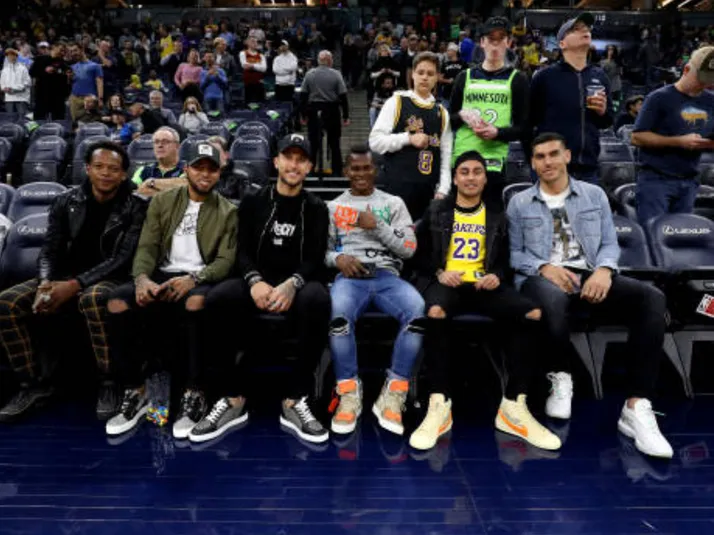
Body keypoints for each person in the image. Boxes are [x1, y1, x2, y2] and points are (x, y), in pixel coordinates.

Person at [507, 132, 673, 459]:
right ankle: (560, 376)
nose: (547, 162)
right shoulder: (519, 202)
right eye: (540, 157)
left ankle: (637, 405)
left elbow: (609, 243)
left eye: (553, 154)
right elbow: (513, 254)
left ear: (567, 156)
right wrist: (544, 267)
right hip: (540, 276)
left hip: (588, 273)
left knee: (652, 298)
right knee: (553, 299)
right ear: (532, 163)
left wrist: (605, 270)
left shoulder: (594, 195)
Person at [409, 150, 560, 452]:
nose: (471, 177)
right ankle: (439, 403)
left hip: (483, 286)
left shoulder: (497, 215)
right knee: (436, 311)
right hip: (449, 284)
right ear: (455, 178)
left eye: (477, 172)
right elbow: (417, 255)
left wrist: (496, 276)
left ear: (485, 178)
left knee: (531, 312)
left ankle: (514, 406)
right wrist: (439, 272)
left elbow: (504, 261)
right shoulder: (436, 211)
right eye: (464, 172)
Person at [192, 133, 330, 444]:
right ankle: (232, 397)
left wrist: (292, 284)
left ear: (309, 167)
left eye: (301, 160)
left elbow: (314, 258)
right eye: (288, 157)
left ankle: (295, 398)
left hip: (296, 283)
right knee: (218, 299)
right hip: (257, 280)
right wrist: (254, 281)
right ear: (276, 162)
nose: (294, 165)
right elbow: (241, 250)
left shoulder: (316, 207)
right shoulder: (254, 201)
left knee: (318, 299)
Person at [0, 141, 146, 422]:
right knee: (6, 303)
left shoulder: (136, 206)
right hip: (63, 278)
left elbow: (122, 258)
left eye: (113, 169)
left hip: (111, 278)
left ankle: (109, 382)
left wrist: (75, 285)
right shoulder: (65, 201)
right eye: (99, 166)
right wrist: (45, 283)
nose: (105, 173)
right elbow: (49, 249)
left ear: (123, 174)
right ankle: (32, 385)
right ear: (87, 168)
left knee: (94, 298)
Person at [105, 142, 238, 438]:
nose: (205, 174)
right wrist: (142, 279)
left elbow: (225, 261)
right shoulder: (162, 202)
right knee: (117, 302)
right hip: (160, 275)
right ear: (186, 169)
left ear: (219, 174)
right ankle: (137, 391)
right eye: (199, 167)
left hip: (200, 278)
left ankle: (194, 393)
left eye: (211, 169)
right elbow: (147, 247)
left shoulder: (228, 211)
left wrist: (195, 278)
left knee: (195, 303)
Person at [327, 145, 424, 437]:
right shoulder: (333, 207)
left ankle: (393, 392)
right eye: (354, 169)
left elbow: (408, 249)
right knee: (338, 314)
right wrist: (338, 259)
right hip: (350, 278)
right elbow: (323, 251)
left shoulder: (394, 203)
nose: (361, 174)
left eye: (366, 168)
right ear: (346, 172)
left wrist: (378, 225)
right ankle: (348, 392)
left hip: (386, 276)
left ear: (376, 170)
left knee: (417, 310)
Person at [449, 17, 530, 210]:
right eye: (491, 39)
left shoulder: (517, 79)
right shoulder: (464, 77)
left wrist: (497, 133)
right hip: (462, 159)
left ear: (508, 43)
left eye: (501, 39)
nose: (495, 44)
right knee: (459, 218)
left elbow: (524, 128)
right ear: (482, 42)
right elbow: (448, 121)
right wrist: (461, 116)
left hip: (494, 163)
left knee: (491, 219)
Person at [632, 46, 714, 227]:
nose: (703, 85)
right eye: (700, 79)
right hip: (656, 180)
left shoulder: (711, 101)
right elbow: (637, 137)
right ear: (686, 70)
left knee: (680, 236)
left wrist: (707, 143)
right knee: (653, 233)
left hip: (689, 180)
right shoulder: (658, 98)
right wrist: (679, 142)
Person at [529, 13, 614, 183]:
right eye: (576, 29)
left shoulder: (600, 76)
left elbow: (607, 121)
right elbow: (530, 122)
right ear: (562, 44)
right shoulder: (544, 77)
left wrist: (603, 112)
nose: (585, 31)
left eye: (587, 28)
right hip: (553, 167)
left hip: (589, 167)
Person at [369, 51, 453, 221]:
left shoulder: (442, 113)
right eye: (420, 72)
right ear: (413, 74)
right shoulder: (396, 102)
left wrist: (443, 189)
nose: (425, 77)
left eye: (430, 73)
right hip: (396, 189)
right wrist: (408, 138)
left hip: (428, 192)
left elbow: (446, 156)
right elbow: (375, 141)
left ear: (437, 77)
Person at [300, 50, 350, 176]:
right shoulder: (336, 74)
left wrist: (303, 115)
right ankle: (337, 172)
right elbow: (343, 96)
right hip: (331, 110)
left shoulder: (309, 74)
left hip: (313, 109)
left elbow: (303, 96)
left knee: (313, 144)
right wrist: (346, 115)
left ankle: (310, 171)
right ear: (329, 60)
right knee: (334, 143)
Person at [131, 127, 187, 196]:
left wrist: (151, 183)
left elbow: (187, 186)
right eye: (156, 142)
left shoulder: (188, 169)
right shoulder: (143, 170)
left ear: (177, 146)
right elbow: (134, 192)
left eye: (165, 142)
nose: (160, 145)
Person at [30, 43, 71, 120]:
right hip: (42, 95)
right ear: (54, 47)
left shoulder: (64, 64)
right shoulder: (40, 59)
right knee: (39, 120)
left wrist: (68, 77)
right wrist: (44, 71)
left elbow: (66, 82)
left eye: (64, 51)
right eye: (61, 50)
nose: (62, 53)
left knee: (59, 121)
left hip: (58, 98)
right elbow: (32, 73)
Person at [69, 44, 104, 123]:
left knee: (91, 124)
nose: (73, 53)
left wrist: (100, 99)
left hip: (90, 100)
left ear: (82, 50)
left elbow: (100, 83)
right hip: (74, 99)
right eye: (71, 51)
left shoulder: (95, 66)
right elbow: (70, 83)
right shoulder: (71, 67)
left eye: (75, 50)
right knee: (77, 124)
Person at [0, 49, 31, 116]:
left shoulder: (23, 68)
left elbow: (27, 83)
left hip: (21, 98)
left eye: (12, 55)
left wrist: (13, 88)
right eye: (8, 55)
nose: (10, 57)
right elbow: (2, 83)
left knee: (22, 119)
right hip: (9, 98)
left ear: (16, 56)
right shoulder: (4, 70)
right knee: (10, 119)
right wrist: (4, 88)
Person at [239, 37, 267, 105]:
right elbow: (244, 66)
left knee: (260, 104)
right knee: (250, 105)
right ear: (247, 43)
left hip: (259, 83)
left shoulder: (261, 55)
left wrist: (252, 66)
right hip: (248, 83)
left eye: (256, 42)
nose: (255, 43)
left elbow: (264, 68)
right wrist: (258, 65)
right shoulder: (243, 53)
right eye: (253, 41)